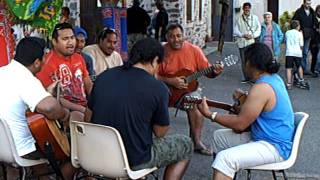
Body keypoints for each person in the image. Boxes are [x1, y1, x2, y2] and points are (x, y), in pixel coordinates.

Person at [85, 38, 193, 179]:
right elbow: (160, 132)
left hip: (96, 154)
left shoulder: (104, 76)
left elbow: (88, 116)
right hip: (134, 160)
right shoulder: (158, 88)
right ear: (155, 60)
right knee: (186, 144)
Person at [197, 43, 294, 180]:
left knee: (225, 159)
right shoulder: (274, 78)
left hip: (273, 147)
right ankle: (224, 175)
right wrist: (244, 98)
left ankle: (223, 171)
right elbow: (252, 112)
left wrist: (210, 114)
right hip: (265, 138)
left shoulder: (262, 87)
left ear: (250, 63)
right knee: (219, 137)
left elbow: (240, 124)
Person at [0, 37, 74, 179]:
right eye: (44, 58)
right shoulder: (27, 79)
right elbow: (49, 108)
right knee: (76, 151)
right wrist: (64, 114)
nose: (45, 62)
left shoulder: (3, 71)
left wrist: (45, 93)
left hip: (2, 147)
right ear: (36, 62)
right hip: (21, 149)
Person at [157, 23, 224, 156]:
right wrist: (171, 81)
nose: (176, 39)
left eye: (178, 36)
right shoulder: (161, 52)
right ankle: (156, 143)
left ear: (184, 36)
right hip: (165, 91)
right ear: (166, 37)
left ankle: (196, 142)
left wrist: (216, 71)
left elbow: (208, 72)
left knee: (194, 105)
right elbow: (152, 75)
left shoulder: (194, 50)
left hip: (188, 92)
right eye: (171, 37)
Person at [37, 23, 93, 122]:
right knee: (78, 116)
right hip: (65, 112)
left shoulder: (78, 57)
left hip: (85, 106)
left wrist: (97, 102)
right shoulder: (46, 63)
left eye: (72, 38)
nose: (71, 42)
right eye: (65, 39)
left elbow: (88, 83)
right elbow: (54, 97)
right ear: (54, 42)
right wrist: (83, 110)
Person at [234, 2, 261, 83]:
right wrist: (242, 35)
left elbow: (258, 29)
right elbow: (235, 30)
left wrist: (252, 36)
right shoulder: (239, 18)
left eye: (248, 8)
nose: (246, 9)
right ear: (243, 9)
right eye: (245, 8)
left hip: (251, 42)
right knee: (244, 61)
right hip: (242, 42)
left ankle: (253, 77)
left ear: (250, 8)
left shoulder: (255, 18)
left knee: (252, 60)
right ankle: (246, 77)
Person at [292, 0, 317, 74]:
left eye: (309, 3)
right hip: (300, 34)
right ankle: (298, 68)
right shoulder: (299, 11)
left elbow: (315, 21)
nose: (308, 5)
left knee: (305, 52)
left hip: (309, 35)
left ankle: (303, 69)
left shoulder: (312, 11)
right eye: (307, 3)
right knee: (298, 52)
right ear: (303, 3)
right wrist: (298, 30)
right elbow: (294, 21)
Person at [285, 20, 308, 90]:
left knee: (289, 68)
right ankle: (301, 80)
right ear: (298, 26)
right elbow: (301, 45)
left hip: (289, 53)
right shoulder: (299, 33)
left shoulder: (287, 32)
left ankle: (289, 84)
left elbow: (285, 41)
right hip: (297, 53)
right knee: (299, 66)